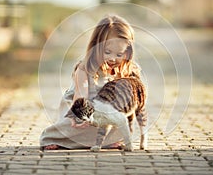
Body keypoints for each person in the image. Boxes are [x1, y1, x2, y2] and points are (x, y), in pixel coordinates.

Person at [40, 14, 141, 150]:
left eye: (119, 54)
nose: (112, 58)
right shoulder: (85, 68)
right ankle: (54, 137)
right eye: (107, 52)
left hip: (107, 112)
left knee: (121, 120)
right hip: (82, 105)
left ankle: (106, 140)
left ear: (128, 52)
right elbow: (81, 93)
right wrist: (78, 115)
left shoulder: (128, 70)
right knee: (74, 125)